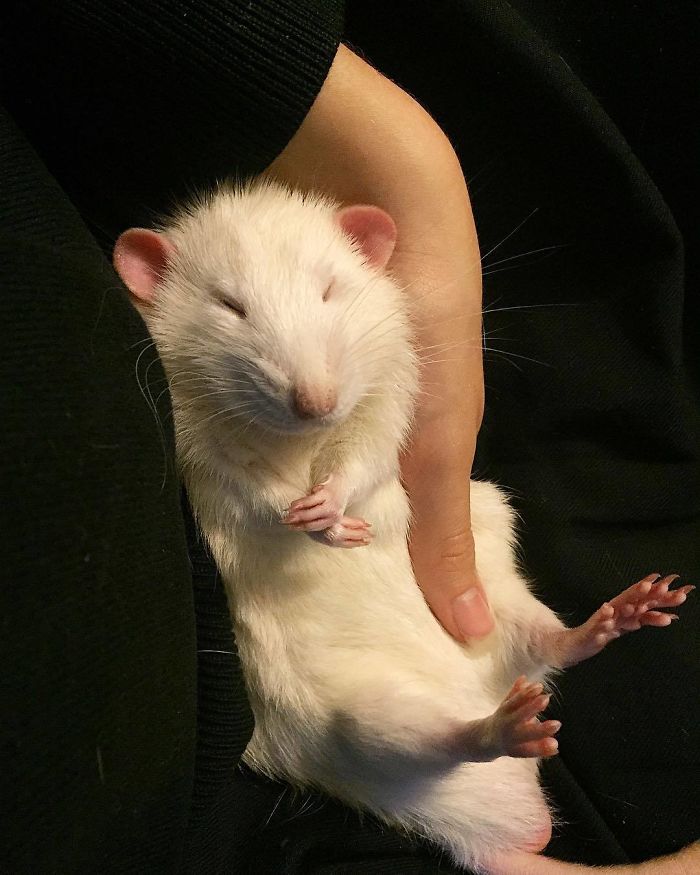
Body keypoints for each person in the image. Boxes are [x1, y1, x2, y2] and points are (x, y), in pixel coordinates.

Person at [1, 1, 697, 872]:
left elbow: (380, 444)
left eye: (333, 293)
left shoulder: (379, 329)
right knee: (353, 711)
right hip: (333, 664)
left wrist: (353, 481)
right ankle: (475, 732)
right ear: (152, 280)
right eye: (230, 311)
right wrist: (287, 501)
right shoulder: (169, 392)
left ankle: (559, 641)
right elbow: (224, 496)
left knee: (483, 513)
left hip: (428, 609)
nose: (309, 389)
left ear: (369, 251)